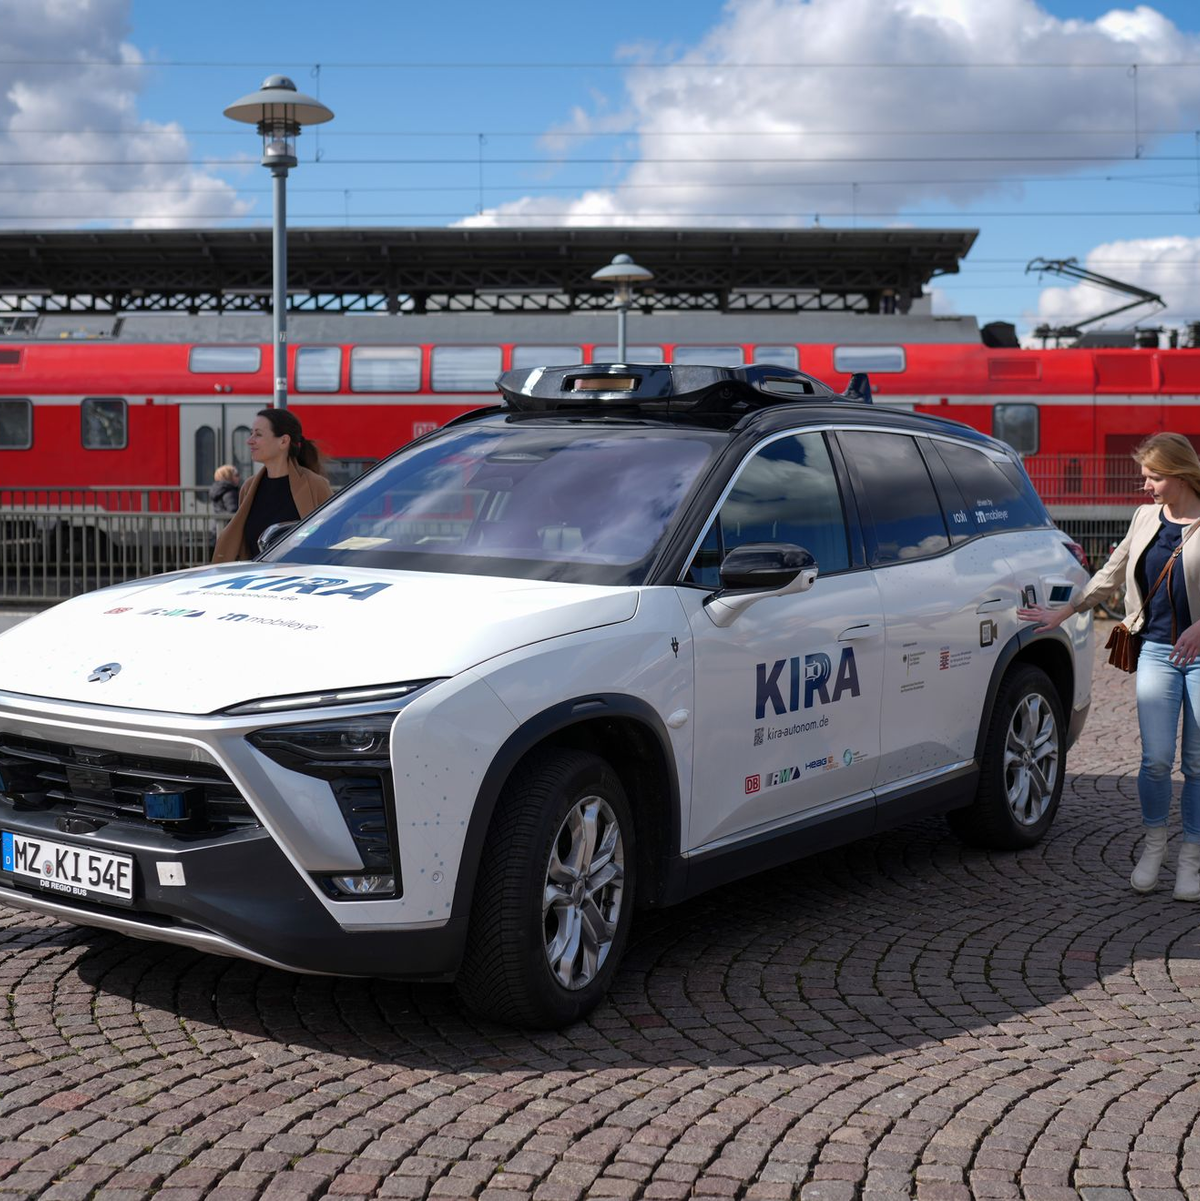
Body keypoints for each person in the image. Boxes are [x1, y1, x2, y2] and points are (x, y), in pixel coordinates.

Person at [1020, 433, 1200, 899]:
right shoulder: (1144, 518)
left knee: (1198, 765)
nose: (1145, 485)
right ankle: (1154, 847)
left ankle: (1191, 861)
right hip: (1157, 651)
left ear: (1178, 476)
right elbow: (1112, 572)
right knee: (1157, 760)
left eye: (1153, 477)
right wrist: (1064, 611)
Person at [212, 408, 332, 563]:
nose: (250, 440)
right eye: (251, 433)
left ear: (283, 441)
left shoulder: (315, 485)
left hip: (301, 581)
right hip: (257, 582)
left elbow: (334, 535)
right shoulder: (248, 488)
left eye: (258, 434)